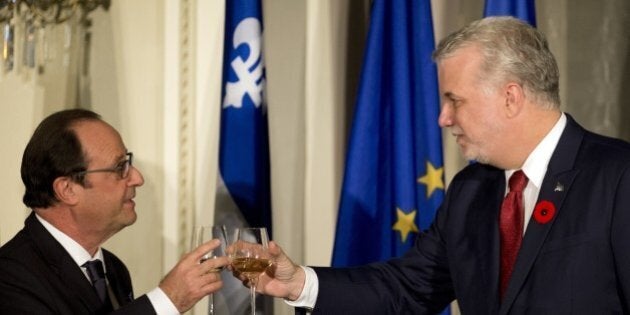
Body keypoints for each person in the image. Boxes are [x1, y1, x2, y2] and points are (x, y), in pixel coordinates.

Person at [245, 16, 630, 314]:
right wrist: (298, 283)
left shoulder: (617, 177)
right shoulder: (471, 190)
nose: (443, 118)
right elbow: (407, 288)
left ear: (511, 97)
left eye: (454, 100)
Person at [0, 109, 229, 314]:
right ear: (67, 189)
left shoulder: (113, 269)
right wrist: (167, 300)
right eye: (121, 167)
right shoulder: (10, 277)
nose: (137, 178)